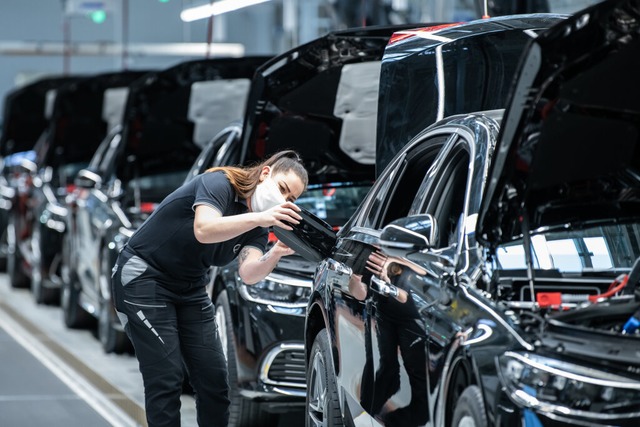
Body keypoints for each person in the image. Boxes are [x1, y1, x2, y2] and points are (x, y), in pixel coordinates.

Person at [110, 150, 308, 427]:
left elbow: (249, 273)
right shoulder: (219, 183)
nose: (284, 201)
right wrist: (261, 219)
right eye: (283, 189)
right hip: (144, 278)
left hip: (190, 287)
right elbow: (203, 229)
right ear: (265, 174)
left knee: (215, 381)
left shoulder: (259, 226)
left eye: (291, 199)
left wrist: (275, 253)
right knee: (166, 377)